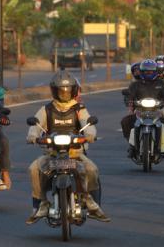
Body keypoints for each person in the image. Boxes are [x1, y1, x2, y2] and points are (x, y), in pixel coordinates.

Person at [25, 70, 110, 224]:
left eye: (67, 90)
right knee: (33, 169)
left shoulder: (79, 109)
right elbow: (36, 124)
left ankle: (92, 204)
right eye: (61, 90)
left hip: (75, 154)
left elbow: (87, 124)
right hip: (52, 154)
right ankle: (40, 203)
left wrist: (90, 134)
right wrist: (32, 136)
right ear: (54, 91)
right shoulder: (47, 109)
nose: (64, 94)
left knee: (91, 169)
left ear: (73, 90)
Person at [121, 59, 164, 157]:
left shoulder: (160, 84)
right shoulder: (136, 84)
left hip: (157, 111)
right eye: (146, 71)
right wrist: (129, 101)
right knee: (125, 121)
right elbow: (129, 95)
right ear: (142, 72)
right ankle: (132, 145)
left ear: (155, 71)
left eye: (151, 71)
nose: (148, 73)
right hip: (140, 111)